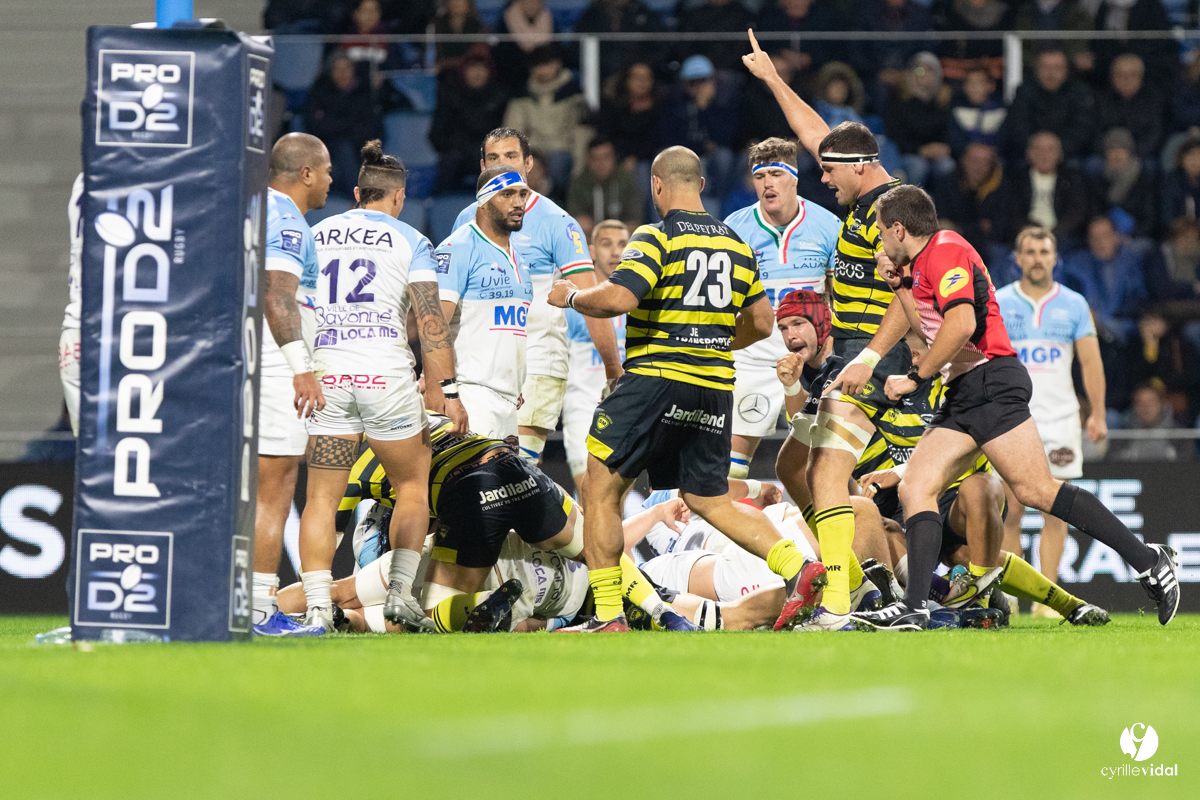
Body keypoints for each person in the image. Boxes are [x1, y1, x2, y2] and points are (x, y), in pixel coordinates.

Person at [832, 185, 1178, 629]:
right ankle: (915, 608)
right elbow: (931, 330)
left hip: (990, 380)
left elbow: (962, 324)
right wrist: (898, 286)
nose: (880, 241)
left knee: (1036, 491)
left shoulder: (946, 250)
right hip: (965, 390)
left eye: (882, 232)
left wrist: (916, 376)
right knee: (916, 486)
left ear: (899, 229)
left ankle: (1148, 560)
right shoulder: (920, 268)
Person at [546, 146, 826, 632]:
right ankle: (798, 567)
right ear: (700, 185)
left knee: (600, 487)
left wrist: (569, 296)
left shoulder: (655, 235)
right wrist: (712, 341)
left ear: (656, 185)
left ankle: (609, 615)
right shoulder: (736, 243)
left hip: (656, 379)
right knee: (709, 499)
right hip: (714, 386)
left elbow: (620, 296)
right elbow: (763, 322)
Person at [743, 30, 912, 631]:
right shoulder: (864, 199)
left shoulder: (890, 211)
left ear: (860, 167)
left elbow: (910, 297)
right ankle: (865, 585)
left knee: (829, 474)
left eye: (828, 171)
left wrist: (872, 356)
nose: (821, 178)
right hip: (855, 356)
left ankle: (842, 598)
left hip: (875, 359)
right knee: (799, 467)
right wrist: (773, 80)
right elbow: (821, 137)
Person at [297, 141, 464, 633]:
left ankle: (317, 608)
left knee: (321, 499)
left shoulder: (316, 234)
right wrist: (448, 391)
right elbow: (431, 325)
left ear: (356, 193)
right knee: (412, 485)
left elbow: (295, 306)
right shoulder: (412, 240)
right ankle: (400, 596)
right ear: (399, 197)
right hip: (385, 377)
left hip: (329, 375)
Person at [451, 128, 622, 467]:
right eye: (493, 158)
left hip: (538, 364)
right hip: (477, 370)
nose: (502, 164)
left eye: (511, 156)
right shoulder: (466, 220)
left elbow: (589, 301)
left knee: (515, 471)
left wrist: (613, 369)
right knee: (475, 473)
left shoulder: (557, 222)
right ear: (482, 166)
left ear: (528, 163)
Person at [995, 227, 1107, 616]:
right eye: (1030, 252)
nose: (1037, 258)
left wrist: (1098, 412)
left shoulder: (1074, 304)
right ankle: (1009, 595)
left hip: (1060, 420)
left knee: (1056, 511)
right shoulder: (1000, 301)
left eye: (1044, 252)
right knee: (1010, 510)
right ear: (1018, 258)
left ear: (1055, 258)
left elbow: (1090, 362)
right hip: (1012, 419)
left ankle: (1049, 599)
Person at [722, 138, 840, 477]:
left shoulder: (827, 225)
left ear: (794, 177)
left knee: (825, 465)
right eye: (760, 176)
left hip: (810, 362)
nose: (767, 184)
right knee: (732, 470)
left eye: (776, 174)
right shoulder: (734, 228)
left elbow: (839, 296)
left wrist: (833, 353)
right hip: (752, 359)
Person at [253, 133, 332, 637]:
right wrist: (302, 367)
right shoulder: (284, 217)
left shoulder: (254, 208)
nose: (329, 180)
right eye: (325, 170)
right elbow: (278, 296)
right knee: (274, 489)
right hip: (276, 363)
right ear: (305, 173)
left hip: (253, 359)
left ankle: (240, 601)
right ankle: (259, 608)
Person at [435, 166, 535, 440]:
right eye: (507, 194)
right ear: (483, 201)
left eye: (522, 194)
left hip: (509, 399)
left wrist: (514, 380)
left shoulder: (519, 258)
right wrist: (444, 392)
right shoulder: (458, 248)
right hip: (471, 395)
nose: (518, 202)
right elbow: (434, 328)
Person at [563, 220, 629, 491]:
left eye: (622, 245)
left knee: (617, 498)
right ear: (591, 251)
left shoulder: (638, 301)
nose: (615, 252)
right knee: (589, 493)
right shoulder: (575, 301)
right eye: (606, 244)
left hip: (627, 407)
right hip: (581, 408)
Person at [502, 45, 591, 194]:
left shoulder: (574, 94)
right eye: (538, 65)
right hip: (531, 151)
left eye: (547, 64)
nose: (543, 70)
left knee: (557, 165)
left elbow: (582, 133)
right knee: (529, 168)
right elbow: (512, 133)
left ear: (558, 64)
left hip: (563, 151)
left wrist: (579, 169)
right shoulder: (522, 96)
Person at [429, 46, 509, 194]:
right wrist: (455, 146)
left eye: (482, 68)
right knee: (450, 162)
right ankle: (442, 202)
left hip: (488, 154)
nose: (477, 73)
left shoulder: (500, 98)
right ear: (463, 70)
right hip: (456, 154)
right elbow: (436, 134)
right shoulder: (450, 97)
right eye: (472, 67)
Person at [304, 54, 383, 198]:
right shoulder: (320, 91)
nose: (342, 73)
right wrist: (349, 124)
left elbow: (371, 129)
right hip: (326, 150)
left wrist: (335, 124)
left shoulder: (365, 94)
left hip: (359, 152)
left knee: (351, 151)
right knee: (341, 148)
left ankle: (358, 198)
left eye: (346, 68)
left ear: (353, 70)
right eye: (337, 69)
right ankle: (356, 197)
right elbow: (315, 126)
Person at [1004, 49, 1095, 161]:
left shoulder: (1080, 92)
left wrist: (1055, 151)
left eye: (1057, 68)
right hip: (1030, 154)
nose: (1051, 73)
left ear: (1067, 70)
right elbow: (1018, 128)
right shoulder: (1024, 92)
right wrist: (1038, 150)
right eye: (1045, 67)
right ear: (1036, 70)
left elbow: (1083, 130)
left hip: (1068, 155)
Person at [1004, 131, 1090, 247]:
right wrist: (1030, 230)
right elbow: (1011, 213)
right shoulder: (1015, 180)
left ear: (1059, 154)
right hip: (1025, 238)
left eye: (1050, 149)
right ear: (1029, 153)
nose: (1044, 154)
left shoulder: (1072, 179)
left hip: (1062, 238)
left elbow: (1077, 213)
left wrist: (1052, 232)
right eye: (1038, 149)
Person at [566, 137, 643, 238]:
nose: (601, 163)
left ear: (614, 158)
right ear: (588, 160)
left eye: (606, 157)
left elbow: (634, 220)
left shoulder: (625, 181)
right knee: (581, 226)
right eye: (596, 158)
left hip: (621, 238)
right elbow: (575, 217)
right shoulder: (579, 183)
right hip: (591, 239)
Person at [1094, 53, 1165, 160]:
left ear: (1141, 77)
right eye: (1120, 75)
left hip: (1142, 155)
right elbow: (1095, 134)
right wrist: (1113, 152)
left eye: (1132, 75)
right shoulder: (1101, 100)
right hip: (1108, 155)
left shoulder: (1153, 99)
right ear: (1112, 77)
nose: (1126, 79)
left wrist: (1132, 153)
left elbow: (1155, 135)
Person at [1091, 128, 1158, 239]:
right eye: (1112, 150)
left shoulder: (1145, 179)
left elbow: (1149, 219)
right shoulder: (1100, 180)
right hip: (1105, 237)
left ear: (1129, 152)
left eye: (1121, 149)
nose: (1117, 155)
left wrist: (1129, 236)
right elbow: (1096, 214)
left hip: (1135, 236)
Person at [60, 173, 83, 436]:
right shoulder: (121, 175)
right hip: (110, 333)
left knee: (91, 450)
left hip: (73, 333)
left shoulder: (81, 182)